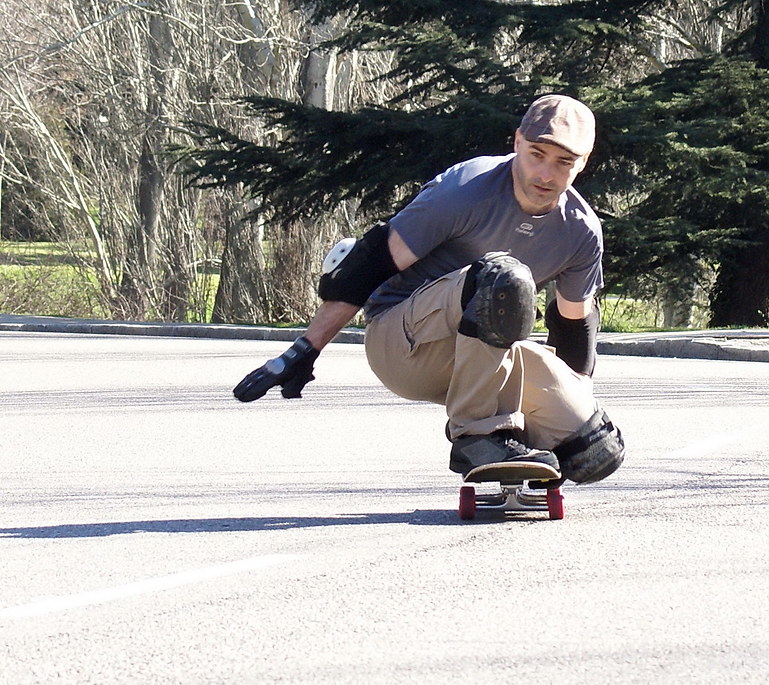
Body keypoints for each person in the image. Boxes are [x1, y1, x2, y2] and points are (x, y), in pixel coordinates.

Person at [233, 94, 625, 485]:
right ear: (518, 141)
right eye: (537, 154)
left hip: (484, 358)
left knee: (594, 450)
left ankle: (513, 445)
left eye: (563, 163)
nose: (545, 174)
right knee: (502, 278)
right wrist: (306, 349)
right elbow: (369, 265)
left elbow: (574, 324)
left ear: (582, 164)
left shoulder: (581, 230)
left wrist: (574, 408)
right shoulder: (466, 189)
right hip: (404, 343)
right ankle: (479, 436)